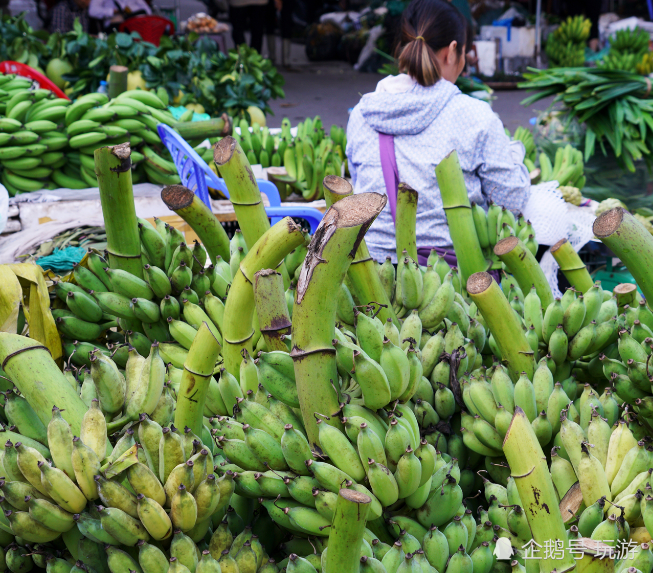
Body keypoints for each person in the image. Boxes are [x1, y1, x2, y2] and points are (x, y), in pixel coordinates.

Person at [346, 0, 530, 263]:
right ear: (453, 51)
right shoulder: (474, 115)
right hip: (446, 279)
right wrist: (515, 156)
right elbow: (512, 202)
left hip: (371, 271)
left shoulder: (362, 113)